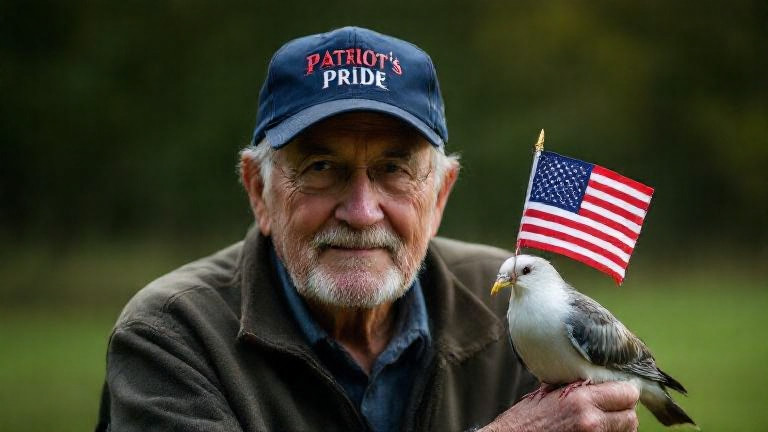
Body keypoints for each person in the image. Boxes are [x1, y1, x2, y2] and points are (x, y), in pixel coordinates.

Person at [95, 26, 640, 432]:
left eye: (394, 170)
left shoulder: (511, 314)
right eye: (321, 168)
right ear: (258, 192)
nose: (361, 212)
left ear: (440, 195)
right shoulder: (171, 337)